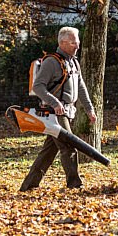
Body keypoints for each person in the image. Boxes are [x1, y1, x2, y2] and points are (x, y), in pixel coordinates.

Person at [19, 26, 97, 191]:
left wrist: (89, 109)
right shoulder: (51, 62)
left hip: (67, 112)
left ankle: (29, 185)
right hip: (54, 113)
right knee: (68, 146)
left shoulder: (74, 62)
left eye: (78, 42)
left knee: (49, 150)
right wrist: (55, 103)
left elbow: (81, 87)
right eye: (74, 42)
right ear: (62, 43)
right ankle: (75, 184)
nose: (77, 46)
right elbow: (38, 87)